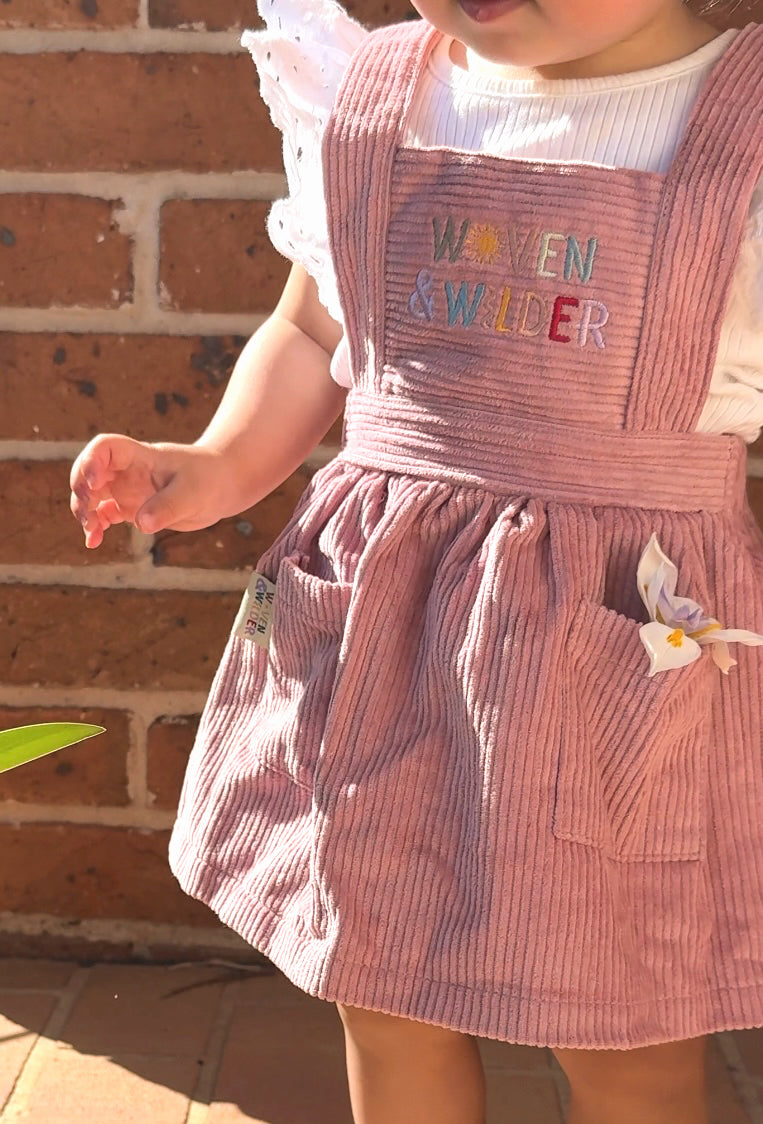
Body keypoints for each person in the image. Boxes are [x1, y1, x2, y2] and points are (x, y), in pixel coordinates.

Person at [70, 0, 763, 1120]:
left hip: (608, 662)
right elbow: (313, 331)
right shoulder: (380, 97)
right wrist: (208, 465)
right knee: (383, 990)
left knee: (626, 1025)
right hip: (391, 643)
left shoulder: (737, 128)